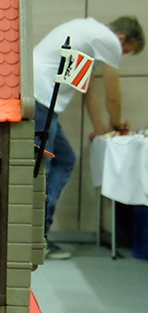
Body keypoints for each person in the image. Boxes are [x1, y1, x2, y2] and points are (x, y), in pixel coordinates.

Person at [32, 16, 144, 259]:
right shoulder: (108, 40)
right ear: (122, 38)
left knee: (64, 160)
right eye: (126, 50)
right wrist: (117, 123)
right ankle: (36, 241)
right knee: (42, 170)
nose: (121, 55)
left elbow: (88, 90)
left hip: (40, 98)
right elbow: (112, 94)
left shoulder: (87, 34)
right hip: (40, 99)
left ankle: (40, 234)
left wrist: (100, 128)